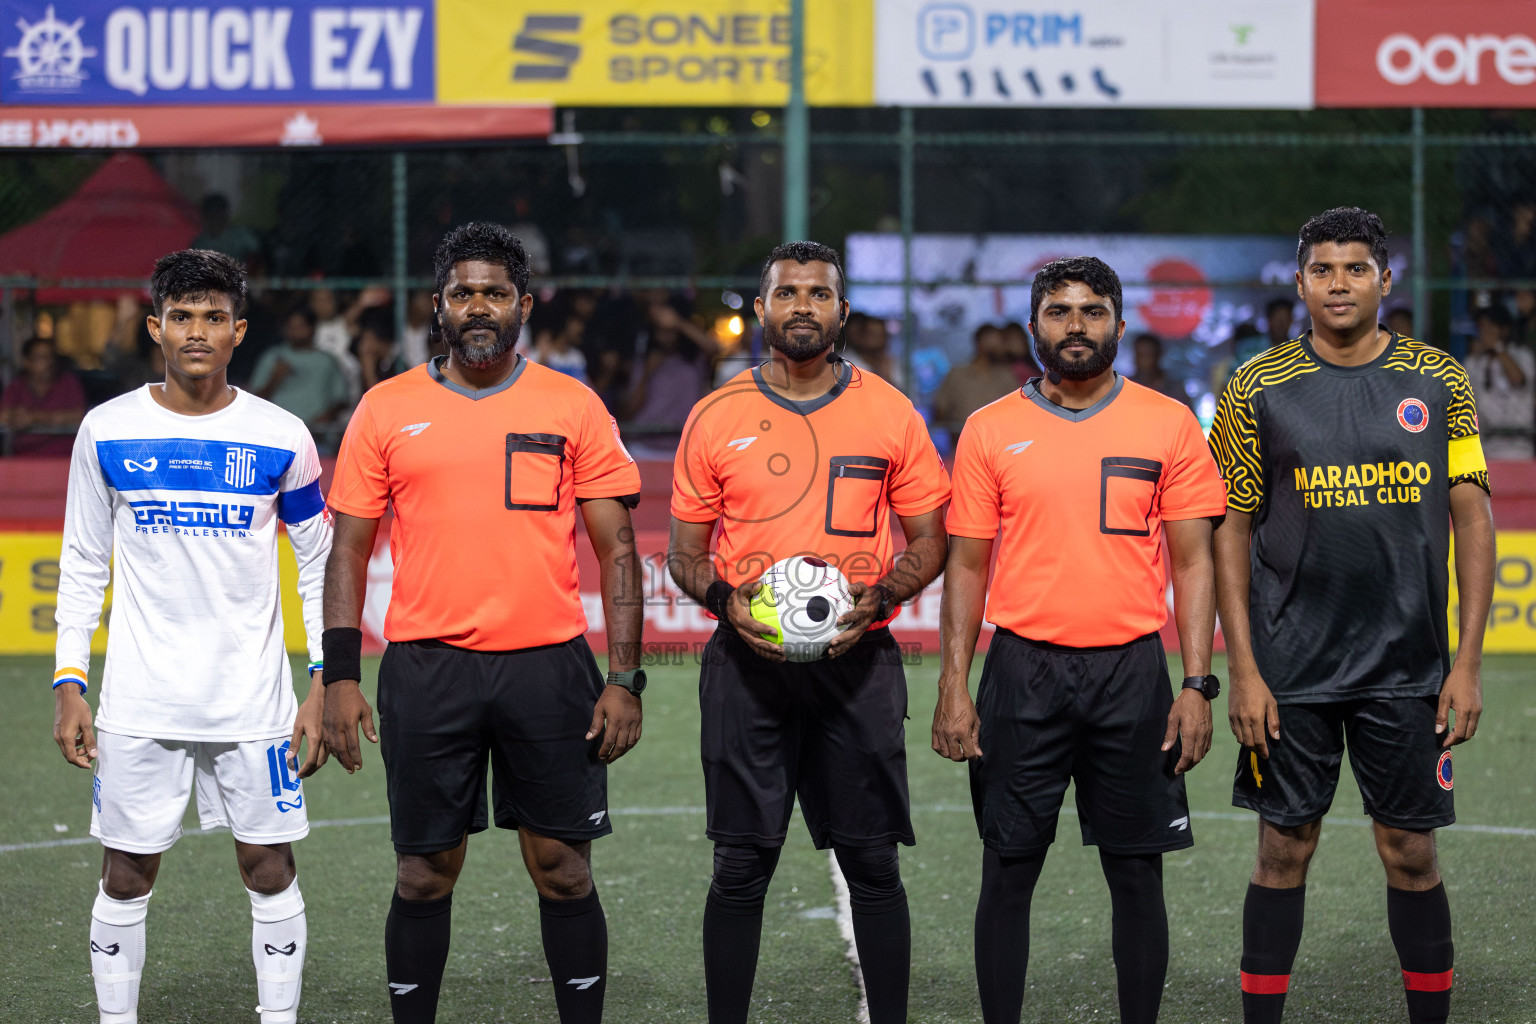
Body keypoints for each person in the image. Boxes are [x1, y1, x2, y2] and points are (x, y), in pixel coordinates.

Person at [320, 222, 644, 1024]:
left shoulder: (572, 404)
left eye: (494, 293)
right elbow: (347, 552)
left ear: (523, 305)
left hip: (549, 668)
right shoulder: (385, 407)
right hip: (428, 670)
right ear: (438, 306)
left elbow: (620, 549)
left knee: (564, 868)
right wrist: (340, 675)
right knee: (423, 873)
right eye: (462, 292)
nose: (478, 306)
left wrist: (625, 677)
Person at [1209, 208, 1495, 1024]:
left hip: (1408, 666)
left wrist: (1465, 666)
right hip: (1290, 665)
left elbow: (1471, 518)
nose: (1340, 284)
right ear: (1300, 284)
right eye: (1323, 270)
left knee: (1410, 852)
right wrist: (1244, 670)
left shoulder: (1438, 379)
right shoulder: (1254, 387)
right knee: (1281, 848)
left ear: (1385, 281)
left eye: (1356, 269)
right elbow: (1229, 527)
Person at [934, 256, 1226, 1024]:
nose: (1075, 325)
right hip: (1021, 670)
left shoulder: (1168, 424)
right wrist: (953, 685)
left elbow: (1196, 561)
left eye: (1092, 311)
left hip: (1134, 673)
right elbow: (966, 564)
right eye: (1059, 312)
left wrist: (1197, 684)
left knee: (1137, 876)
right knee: (1008, 871)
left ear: (1121, 326)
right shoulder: (989, 429)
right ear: (1033, 327)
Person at [668, 241, 951, 1024]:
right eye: (786, 293)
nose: (802, 305)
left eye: (818, 294)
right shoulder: (715, 414)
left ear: (842, 311)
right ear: (760, 310)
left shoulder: (890, 411)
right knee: (740, 866)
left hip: (858, 665)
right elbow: (682, 556)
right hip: (745, 667)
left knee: (871, 862)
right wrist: (727, 600)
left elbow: (932, 538)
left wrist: (884, 592)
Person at [51, 249, 332, 1024]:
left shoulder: (282, 435)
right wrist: (69, 682)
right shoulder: (106, 430)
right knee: (127, 872)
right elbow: (82, 562)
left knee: (269, 865)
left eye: (214, 317)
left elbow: (318, 565)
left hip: (255, 700)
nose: (197, 331)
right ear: (155, 327)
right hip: (141, 699)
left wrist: (323, 679)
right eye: (182, 317)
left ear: (239, 331)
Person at [250, 307, 351, 434]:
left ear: (313, 328)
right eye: (291, 327)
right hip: (277, 432)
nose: (295, 331)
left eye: (300, 326)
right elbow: (255, 400)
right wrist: (275, 379)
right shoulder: (272, 356)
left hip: (318, 434)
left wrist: (325, 419)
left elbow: (341, 400)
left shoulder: (327, 360)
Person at [1462, 304, 1534, 459]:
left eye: (1490, 326)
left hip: (1521, 446)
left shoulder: (1522, 355)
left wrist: (1497, 347)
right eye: (1482, 327)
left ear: (1505, 330)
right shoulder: (1473, 362)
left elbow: (1518, 379)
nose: (1485, 332)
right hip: (1485, 448)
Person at [1, 335, 86, 456]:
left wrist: (35, 417)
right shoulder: (16, 386)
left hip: (63, 461)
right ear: (27, 362)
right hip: (22, 463)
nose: (49, 362)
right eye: (42, 358)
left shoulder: (68, 383)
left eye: (51, 357)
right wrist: (15, 416)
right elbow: (4, 416)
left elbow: (80, 416)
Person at [931, 324, 1020, 427]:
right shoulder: (958, 375)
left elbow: (1017, 410)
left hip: (1000, 439)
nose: (1003, 349)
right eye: (999, 342)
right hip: (962, 439)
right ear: (982, 343)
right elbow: (940, 411)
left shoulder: (1006, 376)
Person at [190, 193, 263, 267]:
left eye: (220, 211)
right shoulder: (199, 244)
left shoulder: (242, 236)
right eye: (213, 213)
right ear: (205, 215)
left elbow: (259, 258)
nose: (217, 217)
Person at [1130, 331, 1193, 408]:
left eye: (1147, 354)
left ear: (1158, 355)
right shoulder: (1126, 388)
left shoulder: (1175, 389)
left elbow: (1188, 416)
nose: (1143, 360)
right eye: (1139, 354)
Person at [843, 311, 905, 389]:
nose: (874, 339)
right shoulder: (843, 365)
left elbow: (908, 397)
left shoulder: (894, 364)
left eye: (879, 335)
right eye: (871, 334)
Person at [1001, 320, 1040, 385]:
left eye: (1020, 337)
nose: (1019, 342)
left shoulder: (1032, 362)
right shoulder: (1014, 369)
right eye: (1013, 339)